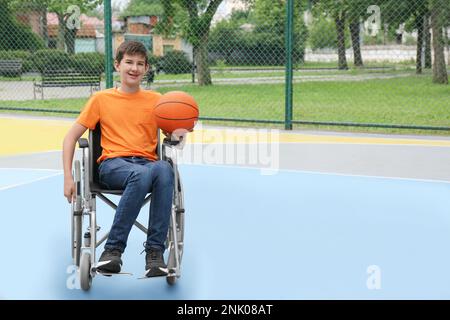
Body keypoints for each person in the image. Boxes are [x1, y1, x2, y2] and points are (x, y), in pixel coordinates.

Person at [62, 41, 174, 277]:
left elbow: (172, 137)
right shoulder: (101, 99)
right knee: (142, 173)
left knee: (165, 168)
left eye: (140, 64)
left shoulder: (157, 101)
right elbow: (70, 137)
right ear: (117, 65)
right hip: (113, 165)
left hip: (146, 164)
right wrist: (68, 178)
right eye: (129, 62)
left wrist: (181, 131)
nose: (134, 68)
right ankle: (112, 250)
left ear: (146, 69)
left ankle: (155, 253)